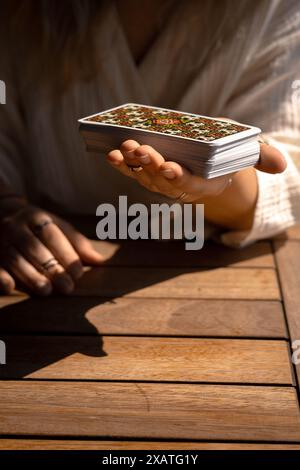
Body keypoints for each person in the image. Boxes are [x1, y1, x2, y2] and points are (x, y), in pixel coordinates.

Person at [0, 0, 299, 296]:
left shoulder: (276, 8)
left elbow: (282, 183)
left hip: (216, 279)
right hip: (53, 279)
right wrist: (7, 207)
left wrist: (218, 161)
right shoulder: (21, 14)